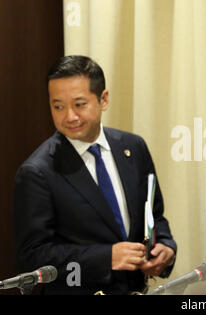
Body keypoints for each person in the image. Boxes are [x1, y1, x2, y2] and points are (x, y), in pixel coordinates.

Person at [13, 56, 176, 295]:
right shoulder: (37, 172)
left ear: (104, 99)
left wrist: (165, 246)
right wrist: (106, 258)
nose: (69, 116)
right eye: (58, 106)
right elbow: (33, 257)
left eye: (79, 104)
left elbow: (154, 214)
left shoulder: (133, 147)